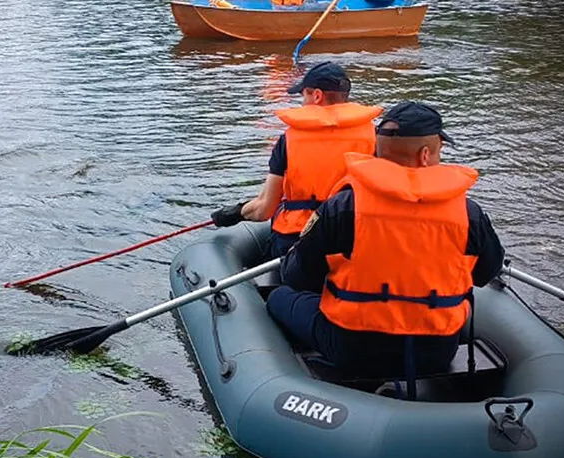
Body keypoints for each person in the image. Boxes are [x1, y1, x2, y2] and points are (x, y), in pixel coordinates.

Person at [266, 101, 505, 384]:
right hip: (436, 352)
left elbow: (296, 276)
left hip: (353, 348)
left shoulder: (343, 206)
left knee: (278, 297)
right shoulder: (469, 214)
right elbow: (486, 273)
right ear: (426, 154)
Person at [211, 62, 382, 259]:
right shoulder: (375, 136)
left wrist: (235, 213)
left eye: (304, 95)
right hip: (353, 240)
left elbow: (264, 210)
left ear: (317, 96)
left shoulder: (289, 139)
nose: (302, 103)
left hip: (298, 241)